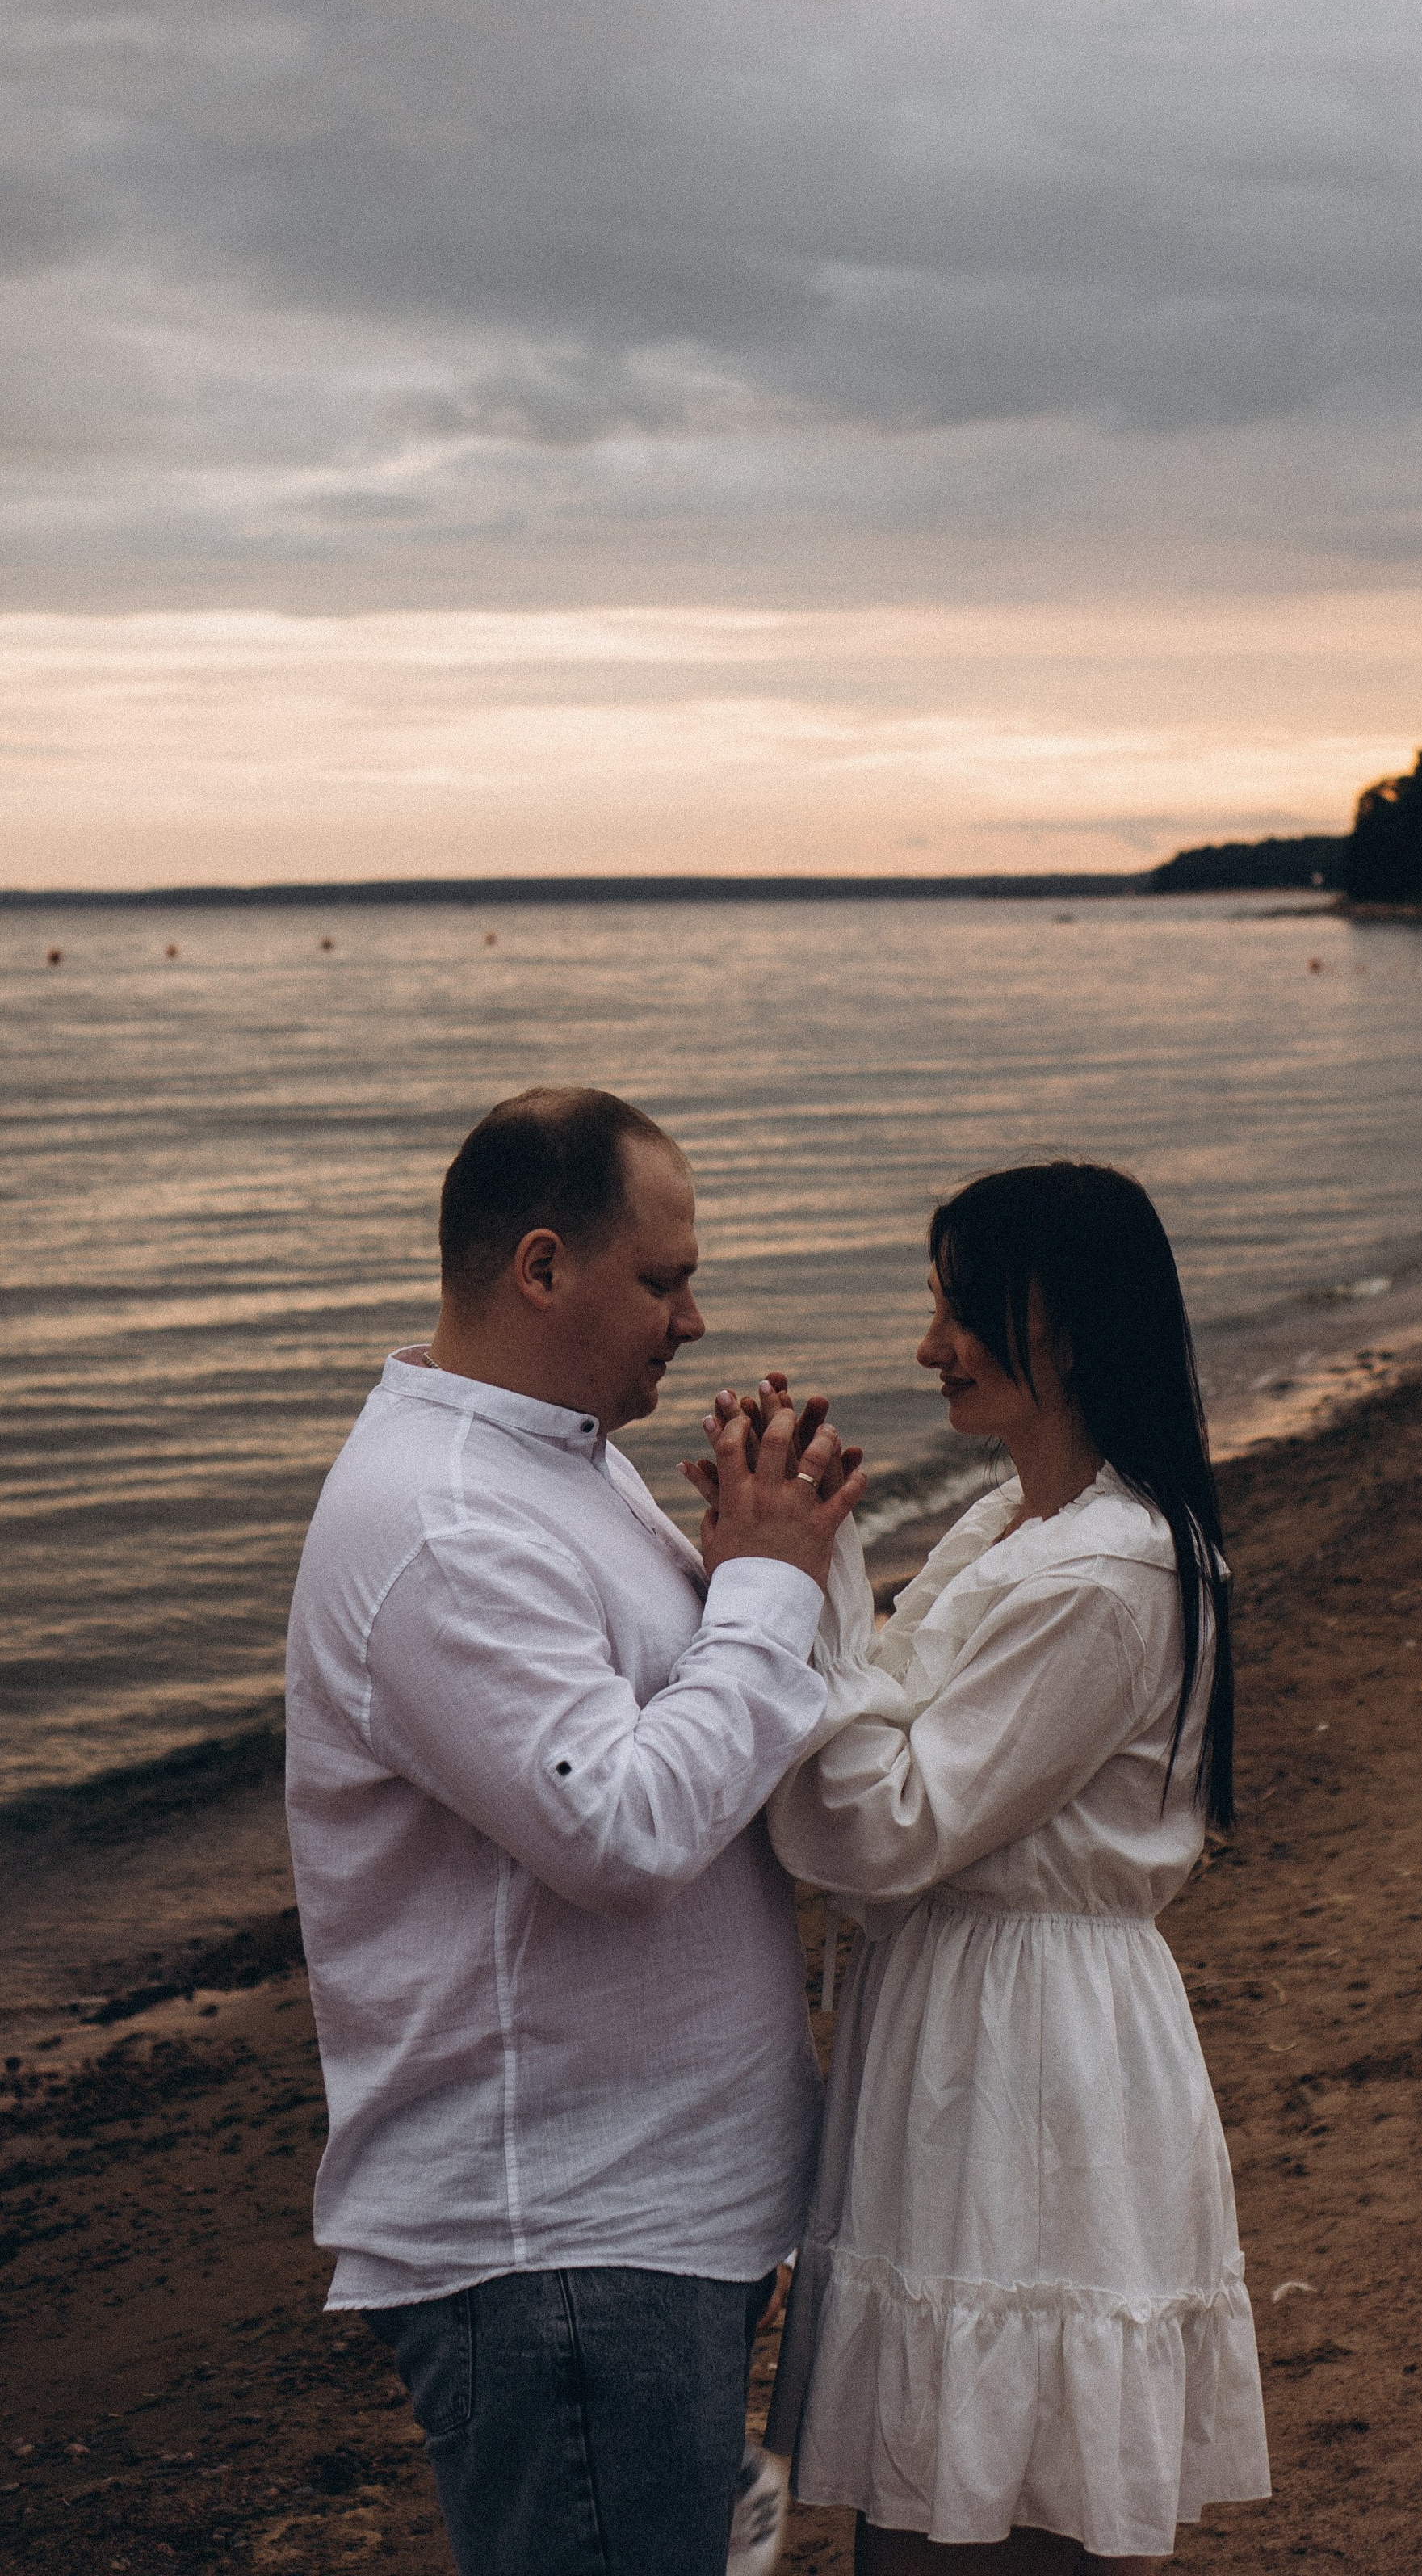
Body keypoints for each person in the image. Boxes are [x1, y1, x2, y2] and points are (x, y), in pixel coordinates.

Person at [284, 1086, 865, 2576]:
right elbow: (620, 1828)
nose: (692, 1318)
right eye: (663, 1281)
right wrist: (767, 1589)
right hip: (559, 2246)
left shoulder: (565, 1457)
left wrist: (757, 1556)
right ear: (542, 1268)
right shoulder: (446, 1522)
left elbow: (698, 1731)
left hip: (645, 2220)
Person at [743, 1161, 1272, 2574]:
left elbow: (885, 1824)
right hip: (973, 2022)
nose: (930, 1350)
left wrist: (803, 1583)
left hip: (1028, 2048)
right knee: (937, 2481)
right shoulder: (1013, 1526)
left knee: (1002, 2490)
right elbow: (901, 1737)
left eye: (963, 1311)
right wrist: (815, 1571)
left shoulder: (1111, 1575)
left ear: (1072, 1325)